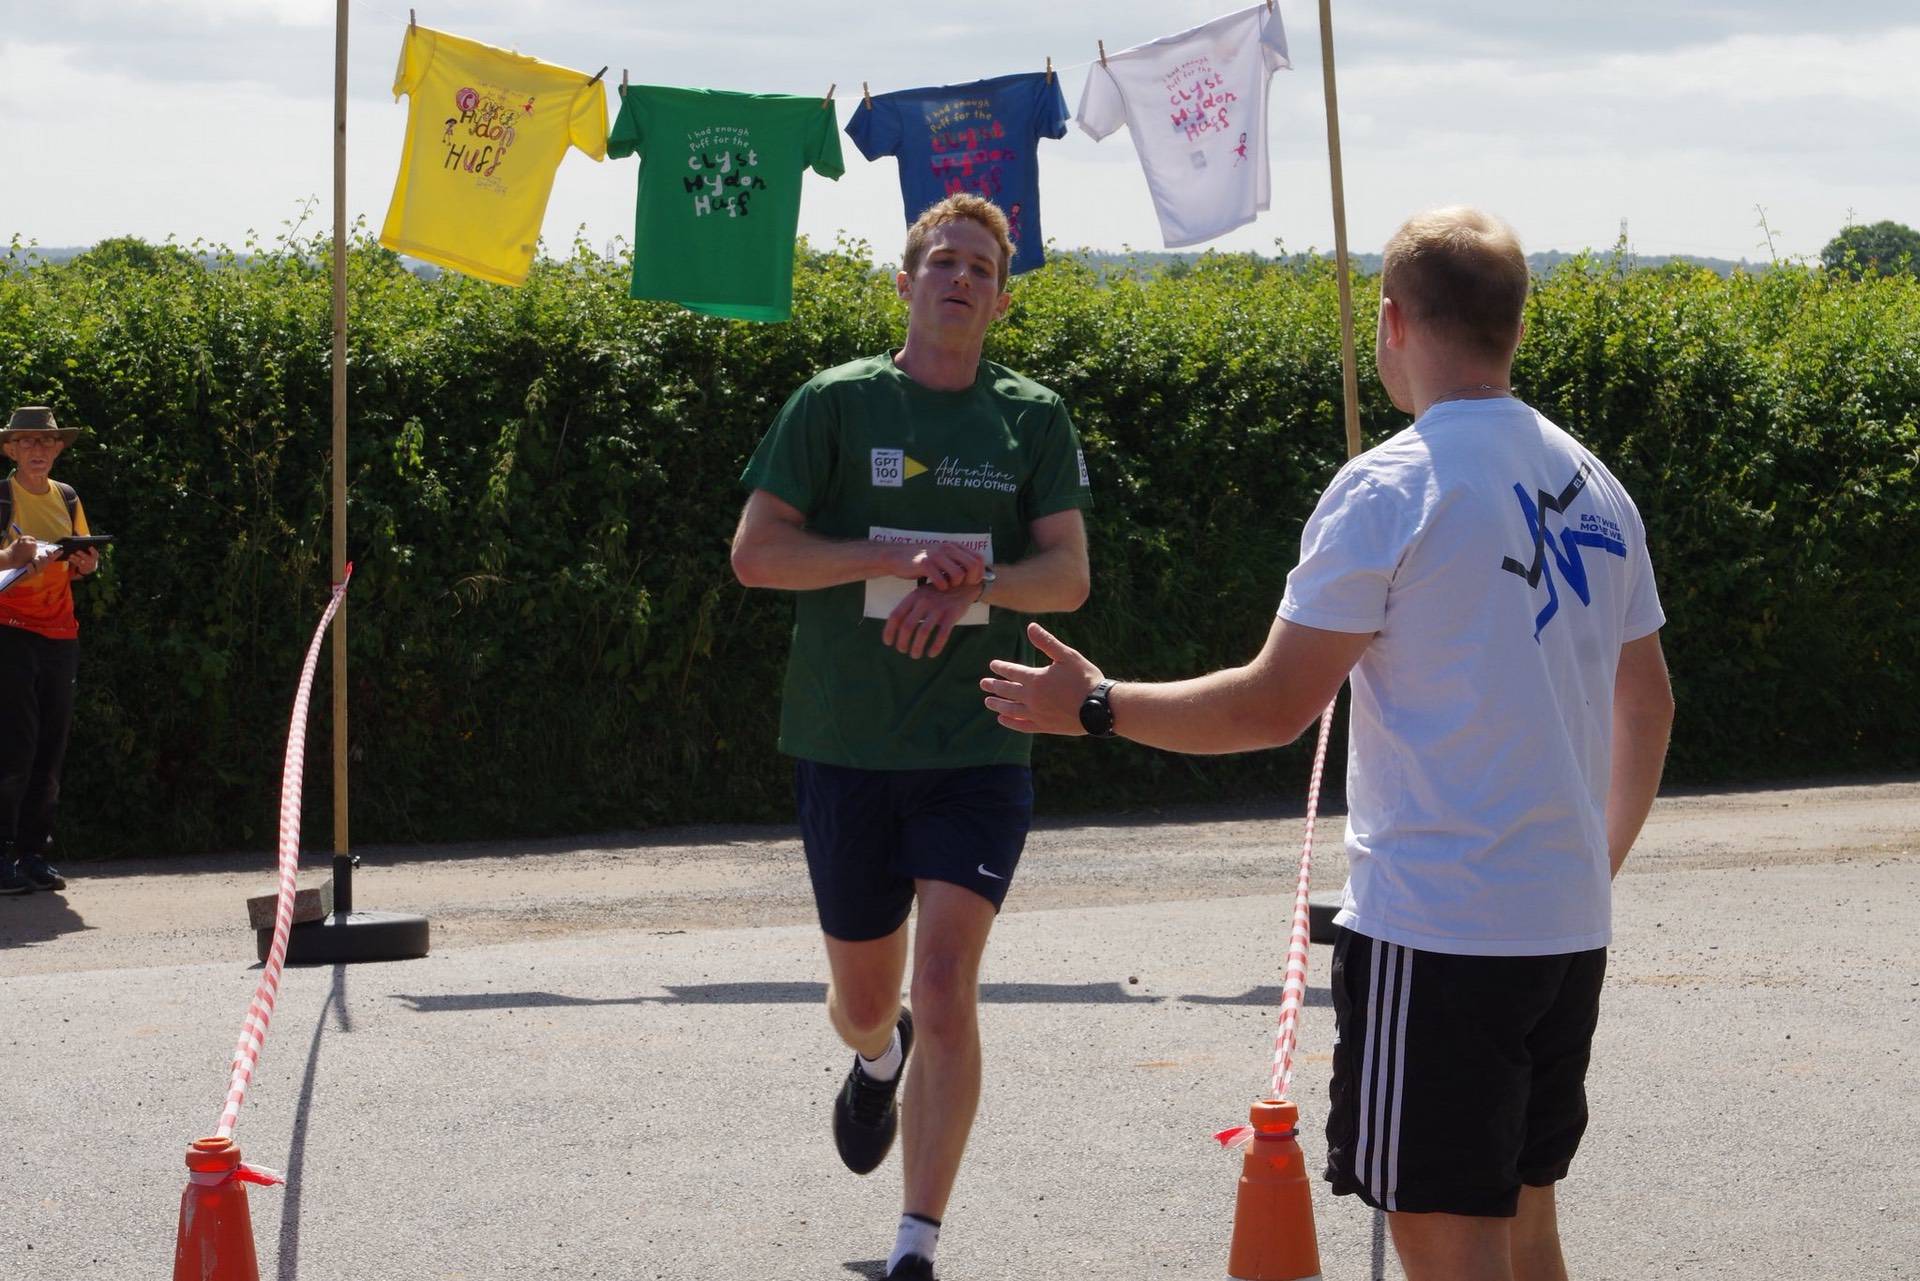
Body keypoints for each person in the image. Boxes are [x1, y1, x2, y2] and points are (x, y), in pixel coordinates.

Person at [980, 207, 1675, 1281]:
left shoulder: (1392, 484)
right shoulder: (1595, 483)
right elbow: (1650, 705)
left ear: (1391, 322)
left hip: (1439, 933)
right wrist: (1592, 866)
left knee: (1448, 1240)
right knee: (1525, 1223)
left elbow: (1271, 707)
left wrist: (1100, 704)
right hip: (1564, 928)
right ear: (1514, 325)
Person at [730, 194, 1092, 1281]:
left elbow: (1067, 577)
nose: (961, 277)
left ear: (1003, 300)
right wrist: (889, 556)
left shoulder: (1032, 417)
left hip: (978, 743)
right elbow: (757, 554)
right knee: (864, 1004)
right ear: (905, 283)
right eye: (943, 260)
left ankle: (916, 1241)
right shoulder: (835, 403)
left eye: (981, 267)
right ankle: (876, 1056)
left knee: (944, 986)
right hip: (845, 744)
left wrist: (978, 579)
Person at [0, 406, 103, 897]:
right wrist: (10, 556)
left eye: (45, 441)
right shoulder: (2, 497)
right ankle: (2, 857)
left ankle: (32, 854)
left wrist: (87, 565)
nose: (36, 449)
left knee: (50, 748)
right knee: (14, 746)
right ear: (10, 450)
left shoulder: (67, 496)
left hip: (61, 634)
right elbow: (8, 559)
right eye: (26, 441)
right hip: (8, 630)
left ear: (58, 449)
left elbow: (81, 562)